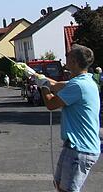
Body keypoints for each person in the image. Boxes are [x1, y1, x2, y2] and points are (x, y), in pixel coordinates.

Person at [38, 44, 100, 192]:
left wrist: (43, 87)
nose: (66, 58)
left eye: (69, 56)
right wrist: (39, 77)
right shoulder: (83, 80)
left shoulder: (79, 86)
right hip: (74, 147)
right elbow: (56, 85)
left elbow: (51, 104)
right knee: (59, 184)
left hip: (81, 149)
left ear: (75, 62)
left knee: (68, 190)